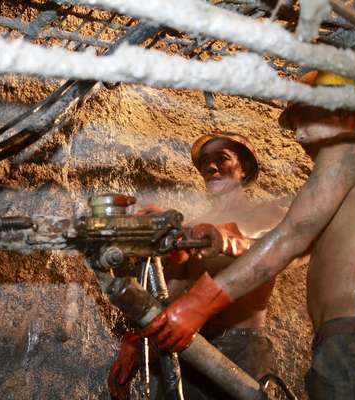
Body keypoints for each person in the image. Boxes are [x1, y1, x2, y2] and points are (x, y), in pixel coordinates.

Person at [143, 71, 355, 399]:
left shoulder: (352, 149)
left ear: (342, 109)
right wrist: (222, 242)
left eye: (305, 117)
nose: (299, 135)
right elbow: (290, 241)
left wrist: (199, 302)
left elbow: (291, 238)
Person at [108, 131, 286, 399]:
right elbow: (171, 295)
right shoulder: (193, 225)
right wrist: (142, 341)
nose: (210, 167)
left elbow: (268, 247)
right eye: (205, 161)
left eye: (222, 158)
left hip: (240, 348)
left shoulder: (268, 213)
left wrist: (192, 235)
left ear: (245, 167)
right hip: (188, 347)